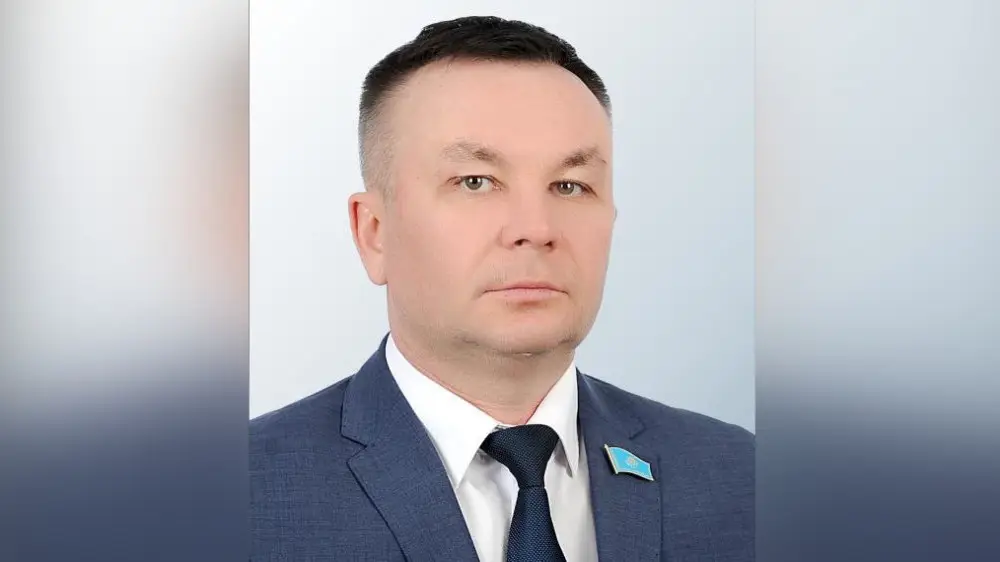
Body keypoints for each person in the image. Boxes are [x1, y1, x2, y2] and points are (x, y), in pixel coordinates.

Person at [251, 15, 753, 562]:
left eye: (570, 185)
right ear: (373, 232)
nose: (535, 228)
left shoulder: (740, 479)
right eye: (475, 182)